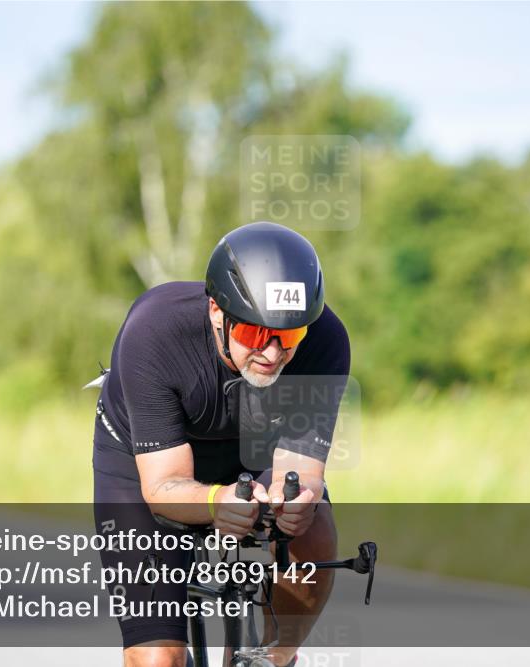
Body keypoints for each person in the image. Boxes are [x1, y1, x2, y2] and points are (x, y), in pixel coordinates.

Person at [91, 221, 351, 667]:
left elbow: (302, 472)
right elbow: (163, 486)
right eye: (254, 334)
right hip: (146, 466)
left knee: (312, 519)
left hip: (252, 454)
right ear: (217, 313)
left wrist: (295, 504)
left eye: (288, 336)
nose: (272, 353)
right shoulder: (155, 332)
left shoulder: (325, 339)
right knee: (157, 660)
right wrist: (216, 500)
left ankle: (275, 656)